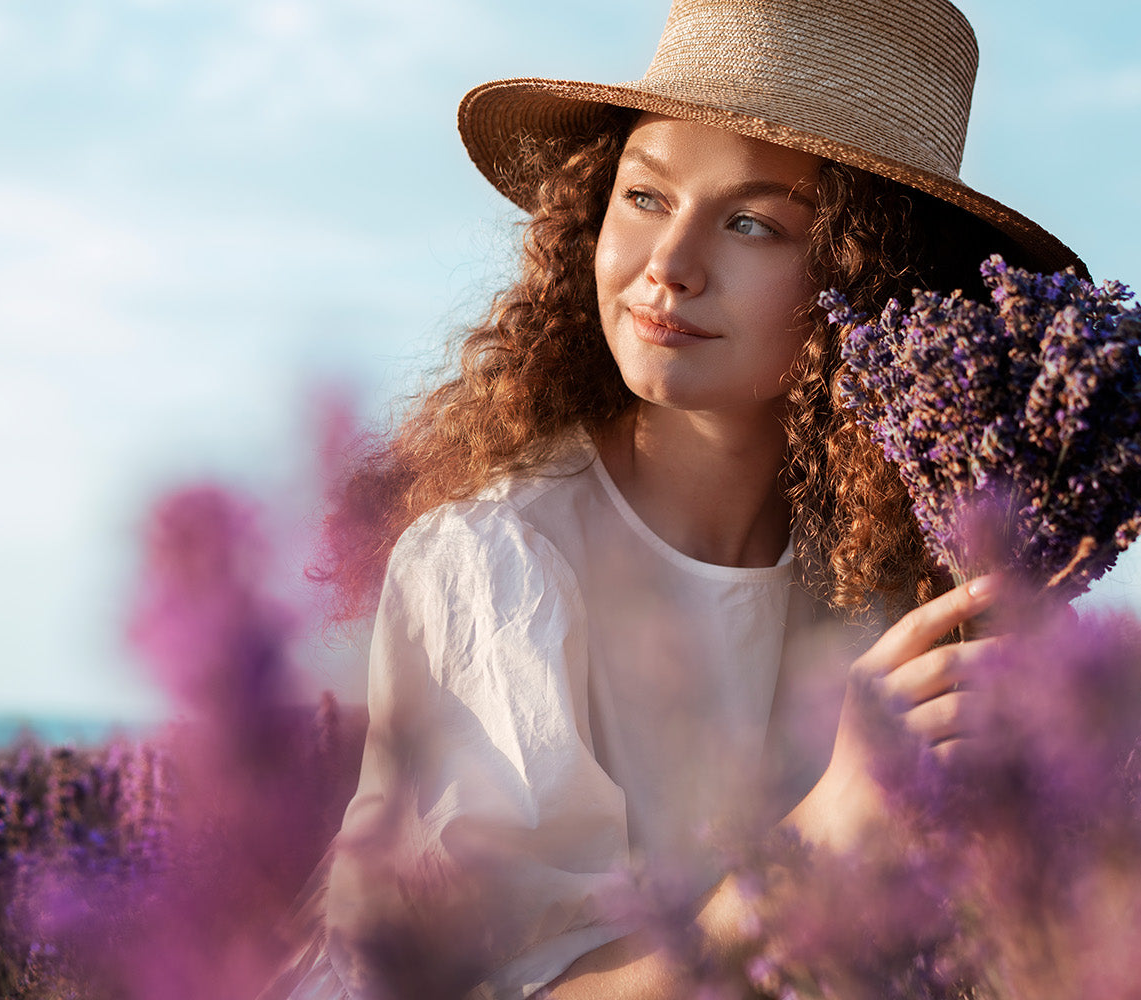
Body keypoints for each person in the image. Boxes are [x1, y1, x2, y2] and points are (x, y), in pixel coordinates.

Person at [270, 0, 1086, 997]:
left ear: (870, 280)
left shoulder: (908, 584)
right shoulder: (496, 566)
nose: (671, 264)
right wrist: (823, 833)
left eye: (752, 222)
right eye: (645, 195)